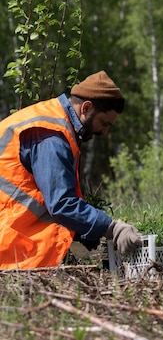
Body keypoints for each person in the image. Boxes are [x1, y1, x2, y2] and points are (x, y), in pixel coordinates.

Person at [0, 70, 143, 269]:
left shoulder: (54, 121)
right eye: (104, 123)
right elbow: (61, 204)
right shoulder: (52, 136)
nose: (105, 132)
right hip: (9, 241)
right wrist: (111, 228)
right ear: (86, 107)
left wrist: (82, 230)